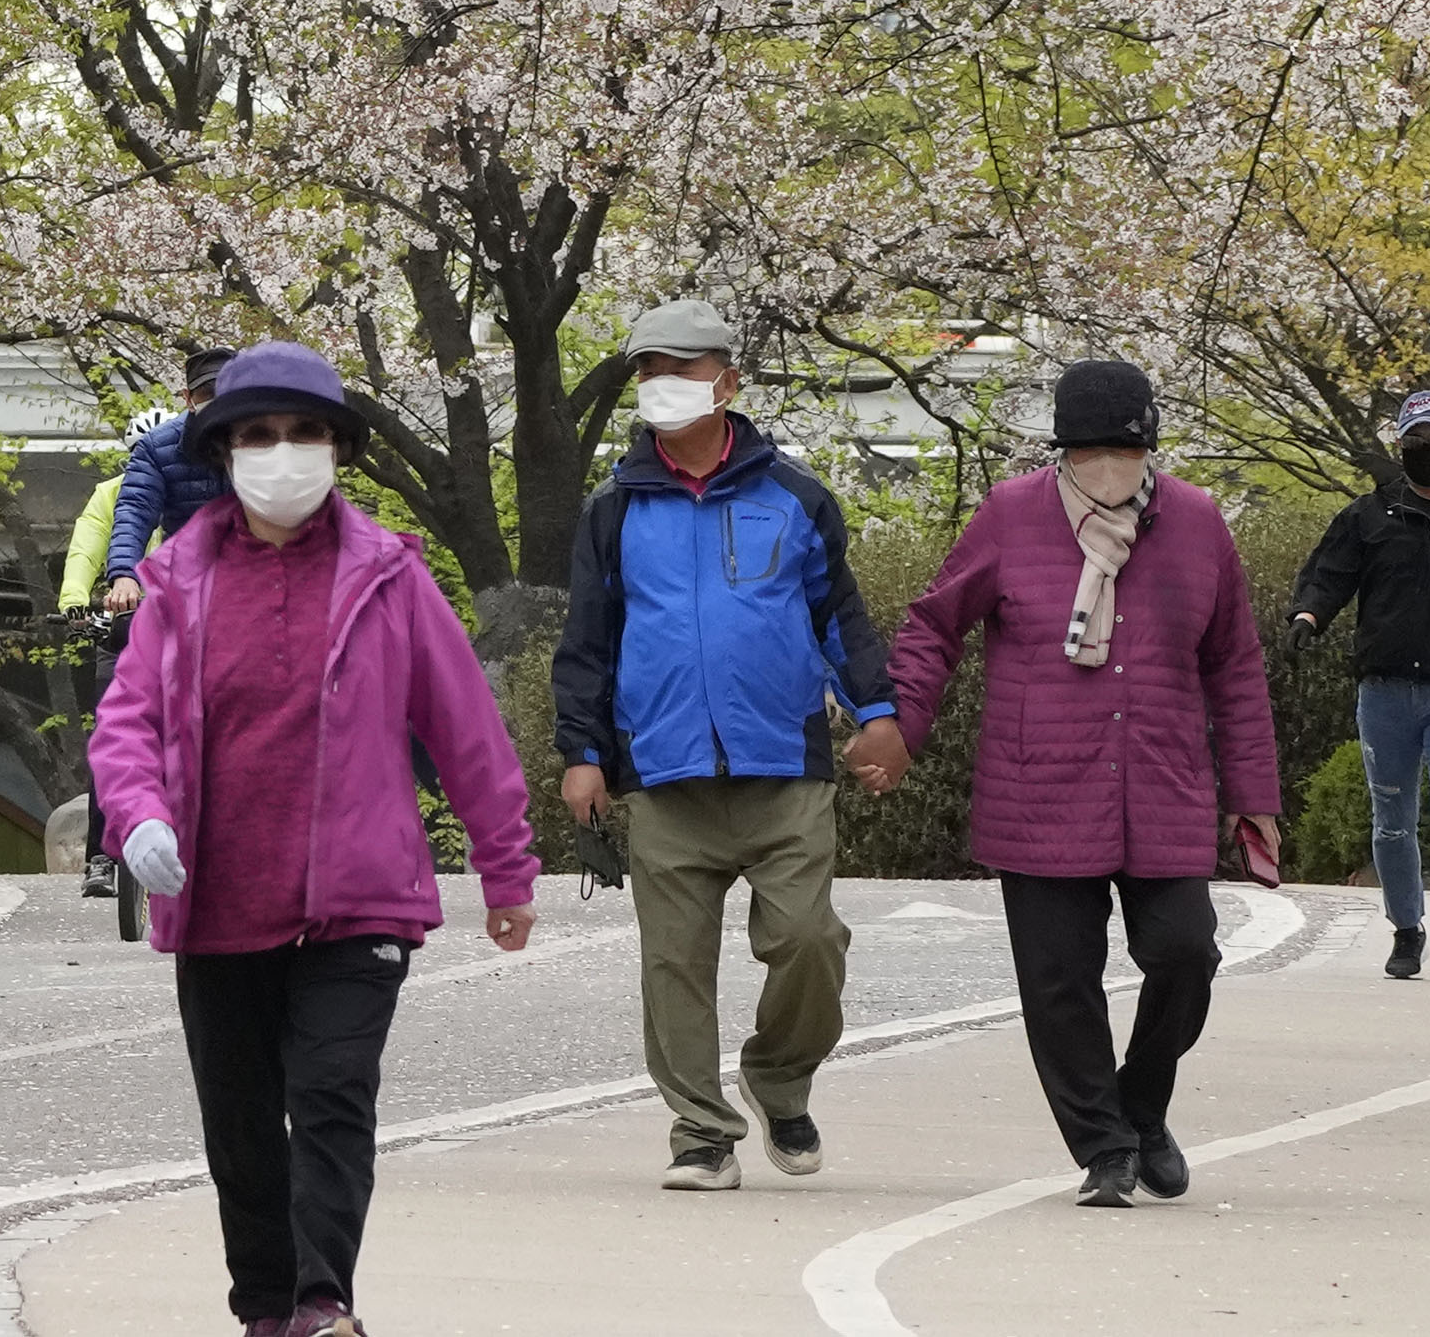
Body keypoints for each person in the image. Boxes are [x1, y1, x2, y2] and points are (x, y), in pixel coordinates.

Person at [93, 339, 540, 1337]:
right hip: (217, 896)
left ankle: (321, 1303)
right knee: (242, 1128)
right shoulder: (174, 580)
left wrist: (506, 868)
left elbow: (466, 727)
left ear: (337, 446)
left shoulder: (390, 574)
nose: (281, 451)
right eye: (258, 434)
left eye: (303, 433)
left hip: (359, 893)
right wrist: (140, 817)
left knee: (333, 1093)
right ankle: (266, 1309)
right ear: (223, 449)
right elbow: (125, 723)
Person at [886, 358, 1281, 1209]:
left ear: (1149, 448)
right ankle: (1103, 1148)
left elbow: (1235, 666)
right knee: (1060, 983)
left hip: (1164, 782)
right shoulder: (1011, 515)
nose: (1107, 469)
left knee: (1184, 952)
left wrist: (1254, 795)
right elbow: (931, 625)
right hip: (1038, 788)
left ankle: (1141, 1106)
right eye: (1089, 451)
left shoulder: (1199, 523)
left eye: (1124, 451)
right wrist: (901, 726)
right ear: (1059, 450)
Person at [549, 297, 898, 1190]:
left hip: (783, 764)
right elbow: (587, 641)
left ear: (728, 381)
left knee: (810, 941)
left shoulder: (795, 496)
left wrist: (877, 711)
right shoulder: (612, 510)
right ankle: (700, 1132)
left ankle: (779, 1078)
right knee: (672, 964)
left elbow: (838, 618)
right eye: (649, 370)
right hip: (662, 771)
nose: (664, 384)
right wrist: (582, 753)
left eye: (683, 367)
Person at [1288, 384, 1430, 986]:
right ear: (1400, 446)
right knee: (1391, 817)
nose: (1426, 450)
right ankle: (1406, 930)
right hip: (1383, 690)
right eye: (1415, 441)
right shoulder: (1368, 515)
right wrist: (1307, 616)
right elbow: (1328, 575)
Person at [94, 349, 235, 611]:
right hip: (187, 584)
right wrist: (124, 574)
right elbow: (135, 509)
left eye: (227, 392)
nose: (218, 402)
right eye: (207, 393)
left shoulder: (265, 439)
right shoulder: (158, 447)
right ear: (188, 398)